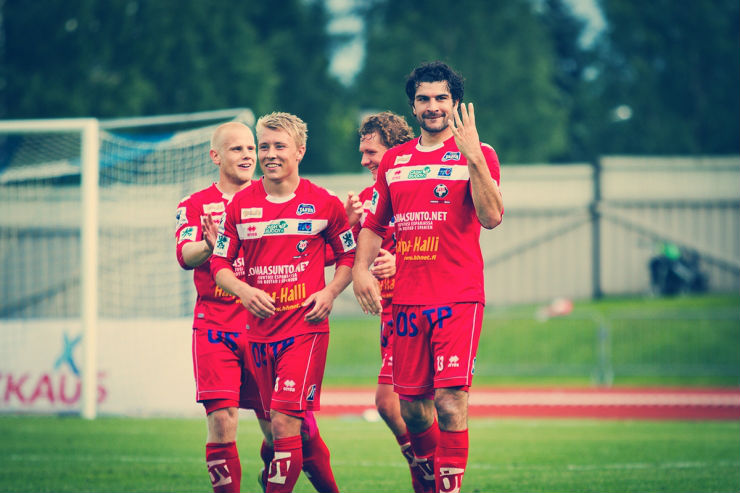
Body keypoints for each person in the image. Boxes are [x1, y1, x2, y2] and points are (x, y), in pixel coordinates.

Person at [352, 61, 504, 493]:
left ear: (455, 103)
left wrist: (474, 158)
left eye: (441, 98)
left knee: (450, 402)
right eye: (424, 99)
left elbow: (492, 216)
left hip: (458, 297)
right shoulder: (395, 160)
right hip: (407, 300)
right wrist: (360, 270)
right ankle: (429, 480)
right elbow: (374, 225)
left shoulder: (481, 153)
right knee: (412, 410)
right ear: (413, 106)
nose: (433, 106)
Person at [175, 121, 335, 493]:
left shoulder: (275, 198)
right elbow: (185, 254)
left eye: (251, 148)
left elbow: (312, 253)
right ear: (215, 156)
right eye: (237, 149)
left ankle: (290, 478)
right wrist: (210, 246)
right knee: (222, 419)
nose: (248, 155)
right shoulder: (195, 205)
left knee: (285, 428)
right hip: (216, 324)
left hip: (269, 327)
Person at [211, 112, 354, 493]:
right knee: (288, 432)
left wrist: (329, 292)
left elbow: (349, 255)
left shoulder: (324, 203)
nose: (270, 154)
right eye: (264, 147)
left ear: (300, 151)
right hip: (258, 335)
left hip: (305, 330)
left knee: (284, 421)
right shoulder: (240, 205)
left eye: (279, 146)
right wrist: (244, 291)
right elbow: (219, 264)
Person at [344, 112, 431, 493]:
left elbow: (442, 242)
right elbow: (342, 257)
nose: (364, 160)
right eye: (362, 152)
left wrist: (402, 261)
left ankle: (430, 472)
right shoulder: (366, 200)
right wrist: (348, 223)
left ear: (394, 151)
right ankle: (425, 468)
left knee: (407, 404)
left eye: (371, 152)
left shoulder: (419, 186)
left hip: (424, 306)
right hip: (391, 315)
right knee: (396, 406)